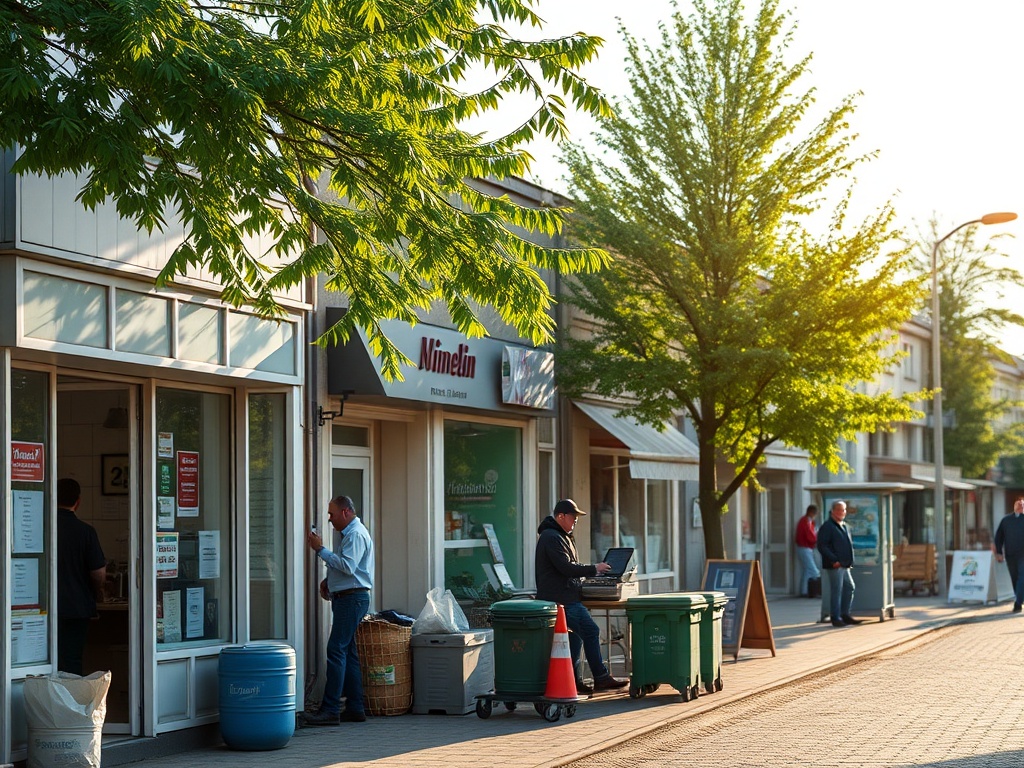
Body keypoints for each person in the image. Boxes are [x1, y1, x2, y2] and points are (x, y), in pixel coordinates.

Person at [535, 499, 629, 696]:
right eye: (573, 517)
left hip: (566, 597)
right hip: (562, 600)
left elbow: (569, 567)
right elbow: (566, 568)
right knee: (590, 630)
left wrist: (591, 574)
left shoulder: (561, 536)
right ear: (561, 516)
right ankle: (601, 677)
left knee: (575, 637)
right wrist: (594, 568)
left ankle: (574, 681)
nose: (575, 521)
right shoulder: (551, 537)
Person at [304, 495, 374, 725]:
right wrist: (330, 581)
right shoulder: (351, 533)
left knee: (336, 650)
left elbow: (347, 566)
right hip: (349, 596)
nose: (330, 519)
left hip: (352, 598)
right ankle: (355, 707)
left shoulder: (354, 534)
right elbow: (347, 568)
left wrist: (320, 549)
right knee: (348, 653)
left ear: (345, 512)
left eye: (332, 514)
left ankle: (331, 709)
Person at [56, 477, 106, 675]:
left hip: (47, 608)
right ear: (78, 501)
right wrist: (98, 592)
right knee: (72, 660)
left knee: (48, 660)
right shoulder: (86, 532)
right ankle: (70, 703)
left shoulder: (43, 528)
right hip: (77, 608)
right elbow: (98, 573)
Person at [816, 499, 862, 628]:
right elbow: (822, 546)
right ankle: (835, 617)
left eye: (845, 510)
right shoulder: (828, 526)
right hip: (835, 565)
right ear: (834, 511)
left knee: (849, 587)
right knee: (837, 590)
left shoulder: (844, 525)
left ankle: (845, 614)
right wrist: (833, 560)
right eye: (841, 510)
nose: (843, 512)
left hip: (845, 564)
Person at [994, 497, 1024, 613]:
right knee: (1015, 579)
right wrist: (999, 552)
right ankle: (1020, 598)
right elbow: (999, 537)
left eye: (1023, 504)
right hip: (1011, 555)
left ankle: (1018, 603)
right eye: (1019, 503)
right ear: (1014, 505)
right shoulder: (1006, 520)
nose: (1021, 505)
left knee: (1022, 577)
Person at [795, 504, 821, 597]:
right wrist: (816, 540)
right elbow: (810, 535)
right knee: (814, 571)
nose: (815, 515)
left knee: (807, 571)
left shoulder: (807, 521)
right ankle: (817, 591)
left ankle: (804, 591)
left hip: (805, 547)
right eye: (814, 513)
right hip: (805, 547)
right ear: (811, 512)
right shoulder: (806, 521)